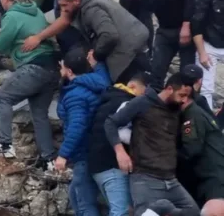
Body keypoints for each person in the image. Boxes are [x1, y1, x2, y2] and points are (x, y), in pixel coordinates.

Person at [104, 73, 201, 216]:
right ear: (169, 89)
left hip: (170, 179)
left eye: (187, 96)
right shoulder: (143, 103)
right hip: (145, 178)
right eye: (181, 95)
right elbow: (111, 123)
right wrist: (120, 152)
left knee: (193, 212)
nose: (184, 100)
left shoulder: (175, 110)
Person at [0, 0, 58, 169]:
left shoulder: (11, 15)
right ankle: (48, 160)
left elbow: (0, 47)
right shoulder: (36, 10)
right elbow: (25, 30)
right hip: (51, 69)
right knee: (39, 114)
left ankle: (5, 145)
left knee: (2, 98)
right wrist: (4, 31)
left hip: (33, 68)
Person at [117, 0, 196, 90]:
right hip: (164, 30)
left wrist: (186, 25)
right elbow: (131, 18)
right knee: (156, 72)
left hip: (186, 27)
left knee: (187, 74)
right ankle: (155, 98)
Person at [55, 0, 150, 84]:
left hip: (127, 54)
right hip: (133, 47)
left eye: (64, 5)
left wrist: (95, 55)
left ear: (76, 1)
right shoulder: (96, 1)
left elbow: (109, 35)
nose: (63, 10)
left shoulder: (90, 10)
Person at [56, 46, 111, 216]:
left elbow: (77, 125)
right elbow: (102, 76)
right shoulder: (99, 81)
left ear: (69, 71)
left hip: (83, 153)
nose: (60, 70)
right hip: (98, 150)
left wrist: (63, 155)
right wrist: (97, 63)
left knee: (84, 205)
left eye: (62, 67)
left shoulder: (75, 95)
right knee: (75, 194)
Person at [87, 74, 147, 216]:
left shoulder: (108, 99)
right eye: (144, 92)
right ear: (133, 86)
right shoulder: (127, 103)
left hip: (97, 166)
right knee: (121, 212)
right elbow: (122, 133)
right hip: (112, 165)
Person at [177, 66, 224, 207]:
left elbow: (192, 148)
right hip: (209, 173)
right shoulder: (198, 107)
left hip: (207, 176)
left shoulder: (192, 111)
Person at [191, 0, 224, 109]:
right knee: (205, 88)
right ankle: (208, 118)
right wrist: (202, 52)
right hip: (210, 43)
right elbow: (197, 23)